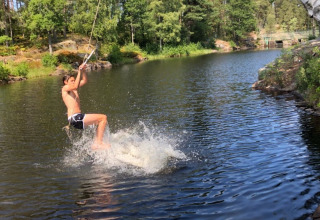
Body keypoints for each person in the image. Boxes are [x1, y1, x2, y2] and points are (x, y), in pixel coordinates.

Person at [62, 63, 110, 150]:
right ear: (66, 82)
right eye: (71, 81)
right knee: (103, 118)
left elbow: (84, 81)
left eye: (73, 80)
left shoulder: (73, 88)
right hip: (75, 118)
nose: (73, 82)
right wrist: (79, 71)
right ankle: (98, 143)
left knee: (99, 122)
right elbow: (76, 85)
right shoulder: (65, 88)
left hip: (78, 118)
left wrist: (83, 71)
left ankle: (97, 142)